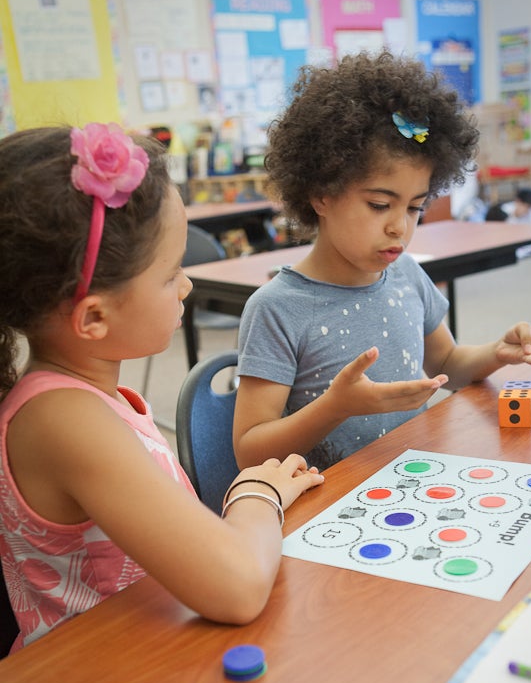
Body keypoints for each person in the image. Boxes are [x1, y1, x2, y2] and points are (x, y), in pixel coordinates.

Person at [0, 123, 323, 652]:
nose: (187, 285)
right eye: (171, 272)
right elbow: (238, 587)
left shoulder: (80, 400)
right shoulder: (62, 419)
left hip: (148, 659)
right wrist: (255, 494)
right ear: (94, 317)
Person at [233, 51, 531, 472]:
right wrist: (334, 407)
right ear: (320, 193)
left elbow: (446, 364)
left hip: (410, 479)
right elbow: (250, 451)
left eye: (415, 207)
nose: (400, 227)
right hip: (329, 505)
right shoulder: (277, 309)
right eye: (380, 204)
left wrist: (497, 353)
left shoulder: (405, 275)